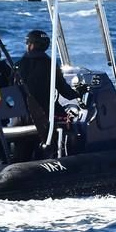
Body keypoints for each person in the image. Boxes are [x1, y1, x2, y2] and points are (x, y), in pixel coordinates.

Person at [14, 30, 82, 160]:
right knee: (69, 125)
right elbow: (65, 91)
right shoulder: (49, 65)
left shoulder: (18, 65)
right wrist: (79, 93)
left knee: (21, 152)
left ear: (30, 45)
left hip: (20, 118)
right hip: (44, 115)